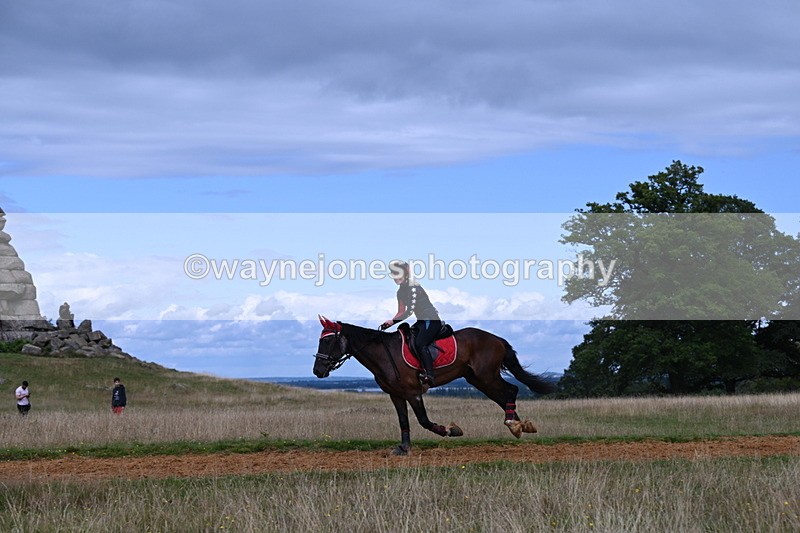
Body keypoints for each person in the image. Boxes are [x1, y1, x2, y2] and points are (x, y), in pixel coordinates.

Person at [380, 260, 442, 386]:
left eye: (398, 274)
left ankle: (429, 374)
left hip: (431, 320)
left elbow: (409, 312)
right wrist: (389, 324)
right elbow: (400, 311)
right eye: (394, 275)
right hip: (421, 321)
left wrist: (393, 321)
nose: (396, 277)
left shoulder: (413, 287)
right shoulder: (400, 292)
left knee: (420, 343)